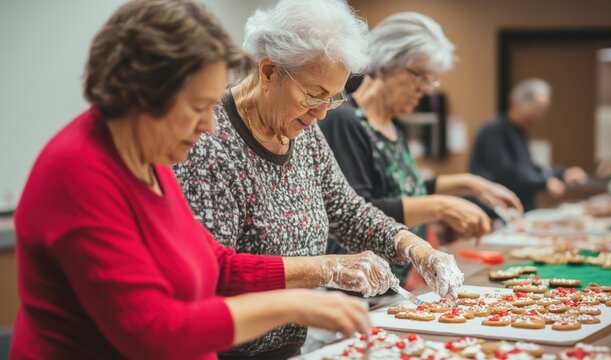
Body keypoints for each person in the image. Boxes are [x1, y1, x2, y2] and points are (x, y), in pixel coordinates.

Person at [10, 1, 374, 359]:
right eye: (198, 108)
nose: (210, 125)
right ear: (146, 97)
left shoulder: (148, 159)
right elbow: (151, 331)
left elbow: (218, 265)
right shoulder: (78, 174)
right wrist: (291, 304)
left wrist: (322, 271)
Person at [173, 0, 464, 358]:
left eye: (334, 97)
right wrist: (327, 268)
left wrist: (416, 248)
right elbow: (213, 272)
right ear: (268, 71)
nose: (323, 112)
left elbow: (348, 210)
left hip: (291, 347)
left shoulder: (303, 131)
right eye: (314, 94)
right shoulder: (209, 140)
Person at [319, 12, 523, 287]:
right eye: (421, 77)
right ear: (387, 63)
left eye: (431, 80)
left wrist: (470, 184)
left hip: (394, 287)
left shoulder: (393, 127)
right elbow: (360, 211)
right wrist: (441, 206)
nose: (427, 90)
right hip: (357, 290)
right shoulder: (345, 122)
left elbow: (405, 189)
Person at [470, 78, 588, 211]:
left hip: (517, 209)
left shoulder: (519, 131)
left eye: (544, 110)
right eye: (539, 109)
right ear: (518, 102)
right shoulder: (494, 131)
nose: (541, 115)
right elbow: (508, 175)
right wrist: (544, 183)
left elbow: (529, 169)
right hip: (496, 210)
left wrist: (562, 173)